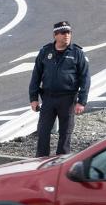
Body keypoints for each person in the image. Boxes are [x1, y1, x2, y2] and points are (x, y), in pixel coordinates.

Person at [28, 20, 91, 157]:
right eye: (63, 33)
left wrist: (82, 101)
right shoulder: (45, 52)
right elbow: (36, 75)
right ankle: (41, 159)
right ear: (55, 35)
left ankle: (62, 161)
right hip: (48, 98)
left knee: (65, 132)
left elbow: (85, 78)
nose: (66, 35)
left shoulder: (77, 53)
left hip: (68, 99)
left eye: (68, 32)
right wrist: (33, 98)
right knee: (43, 130)